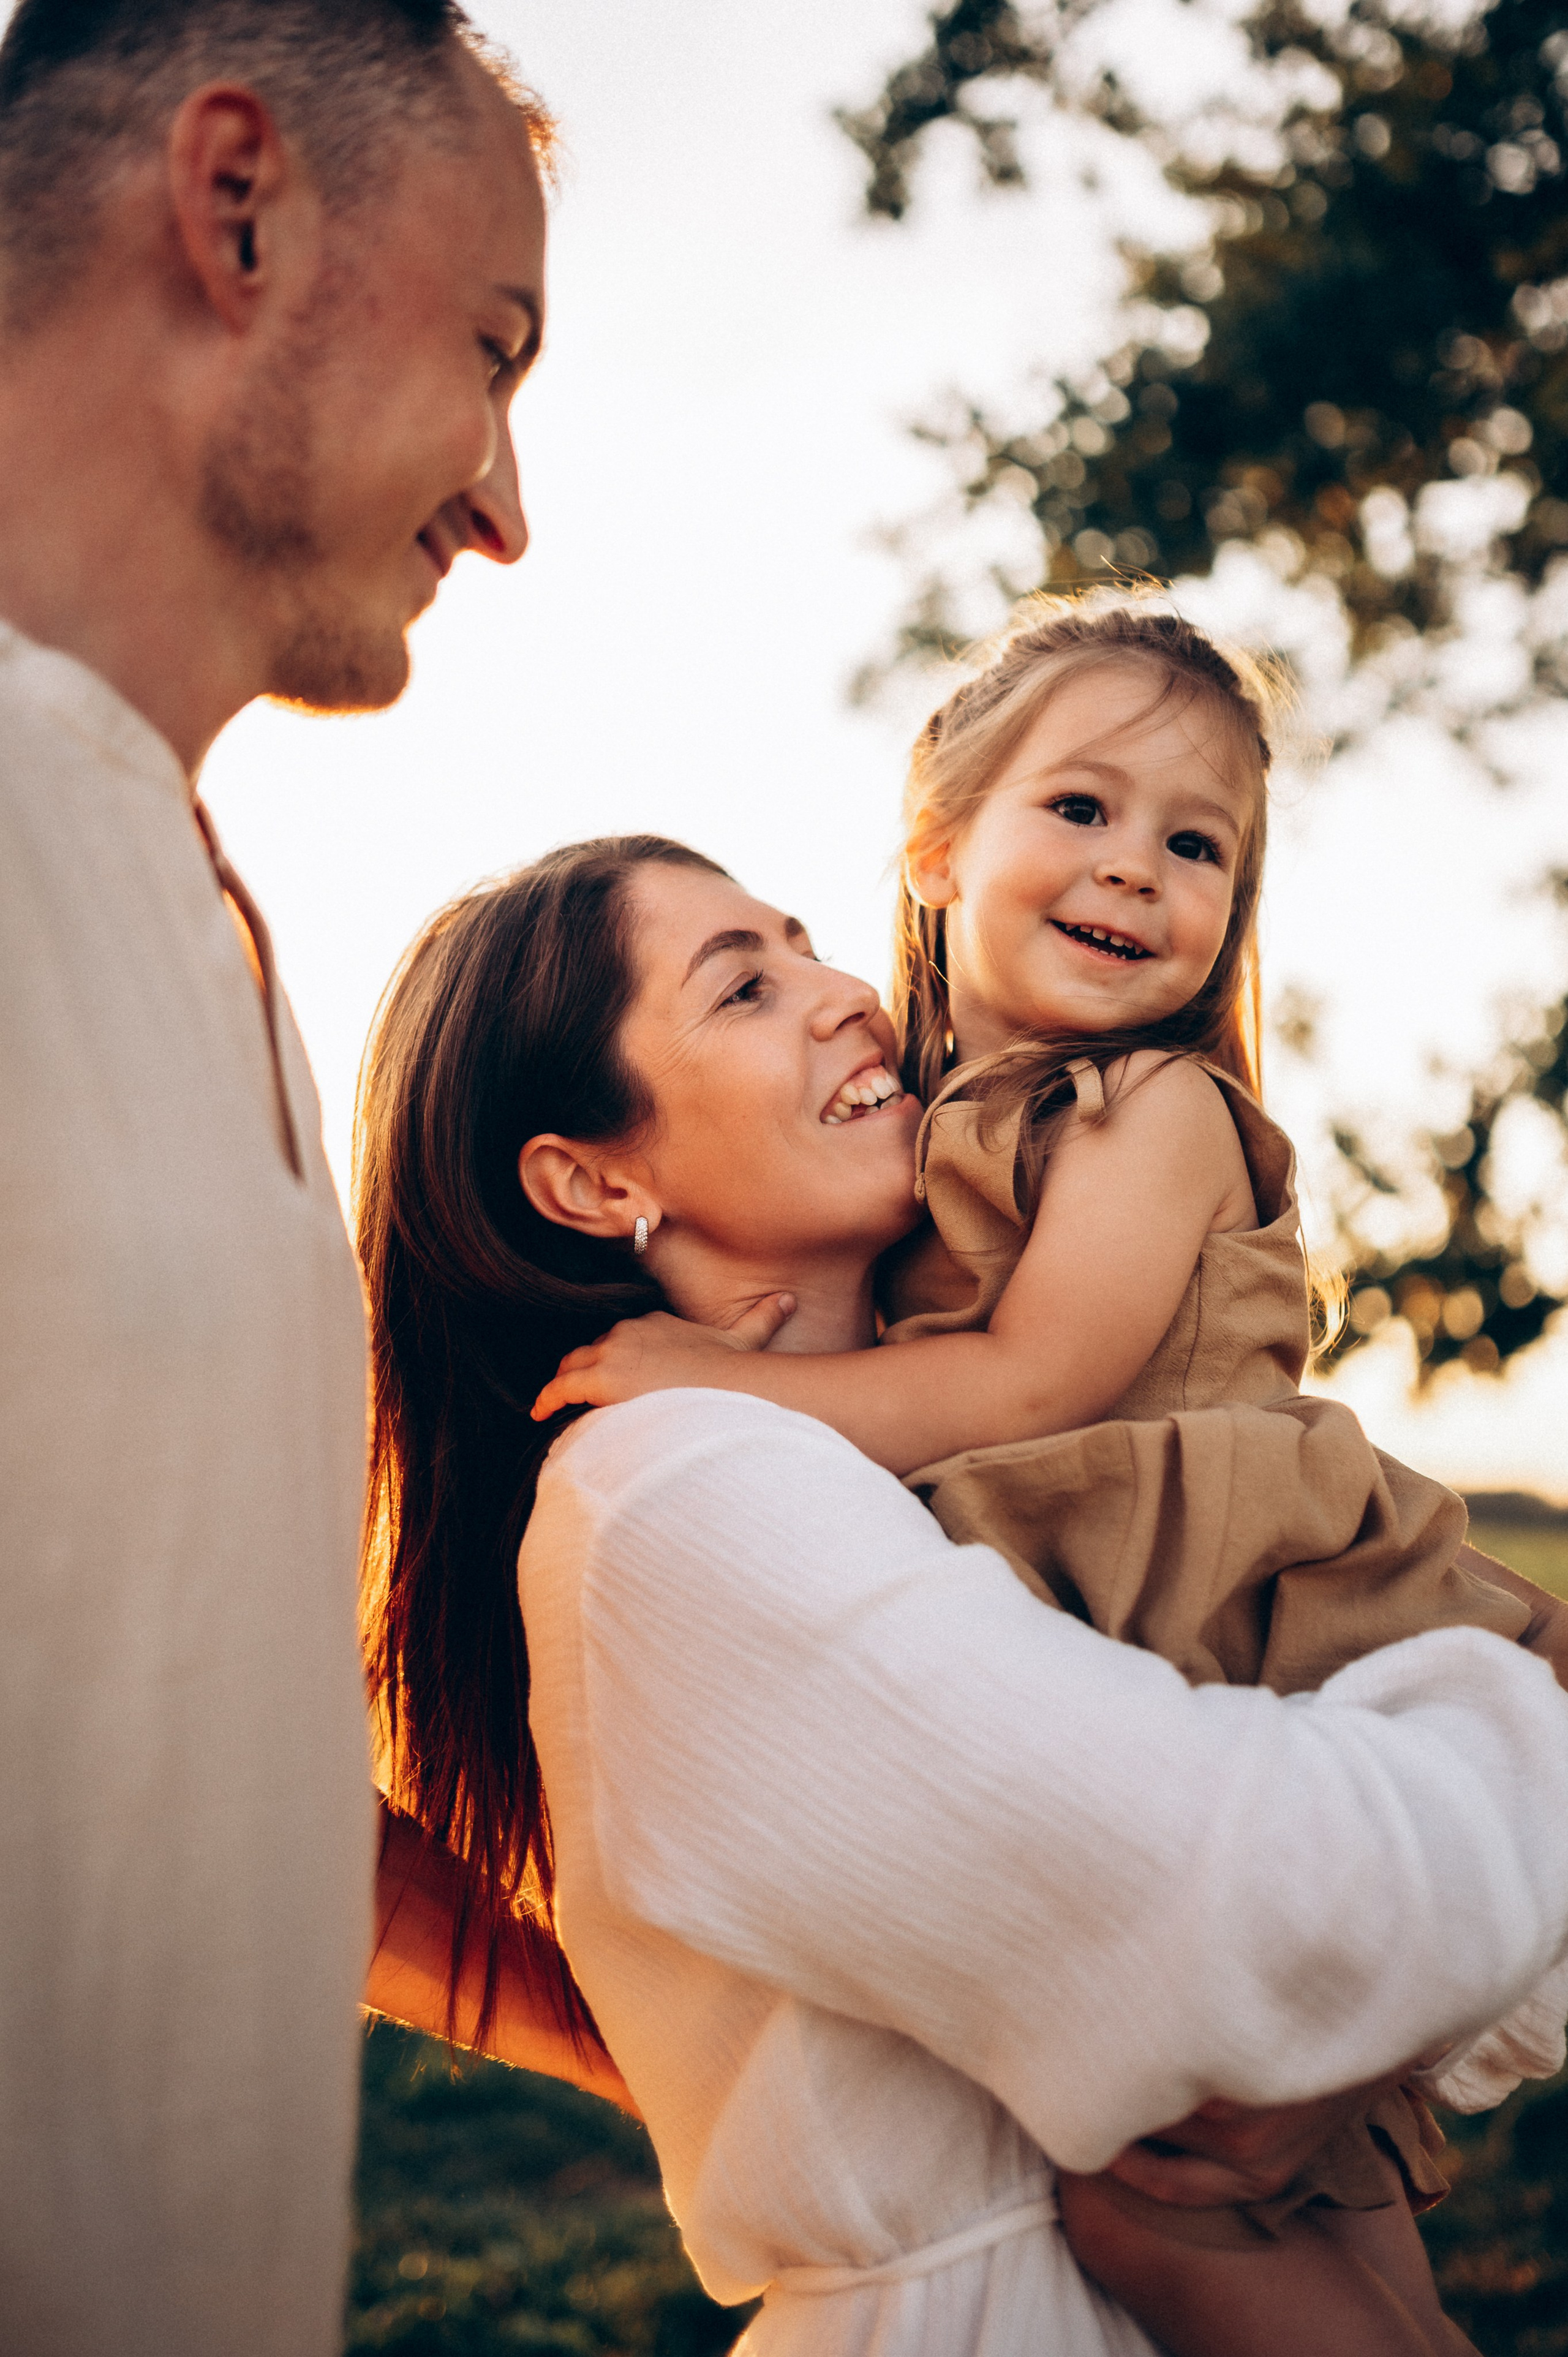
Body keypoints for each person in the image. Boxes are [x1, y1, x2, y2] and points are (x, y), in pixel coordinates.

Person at [358, 832, 1568, 2356]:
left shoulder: (958, 1481)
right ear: (594, 1181)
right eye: (742, 987)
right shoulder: (674, 1492)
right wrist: (1530, 1698)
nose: (848, 994)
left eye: (805, 943)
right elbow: (1258, 1912)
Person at [0, 3, 556, 2350]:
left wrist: (746, 2037)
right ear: (238, 204)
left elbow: (200, 1768)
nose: (507, 503)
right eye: (492, 348)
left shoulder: (227, 952)